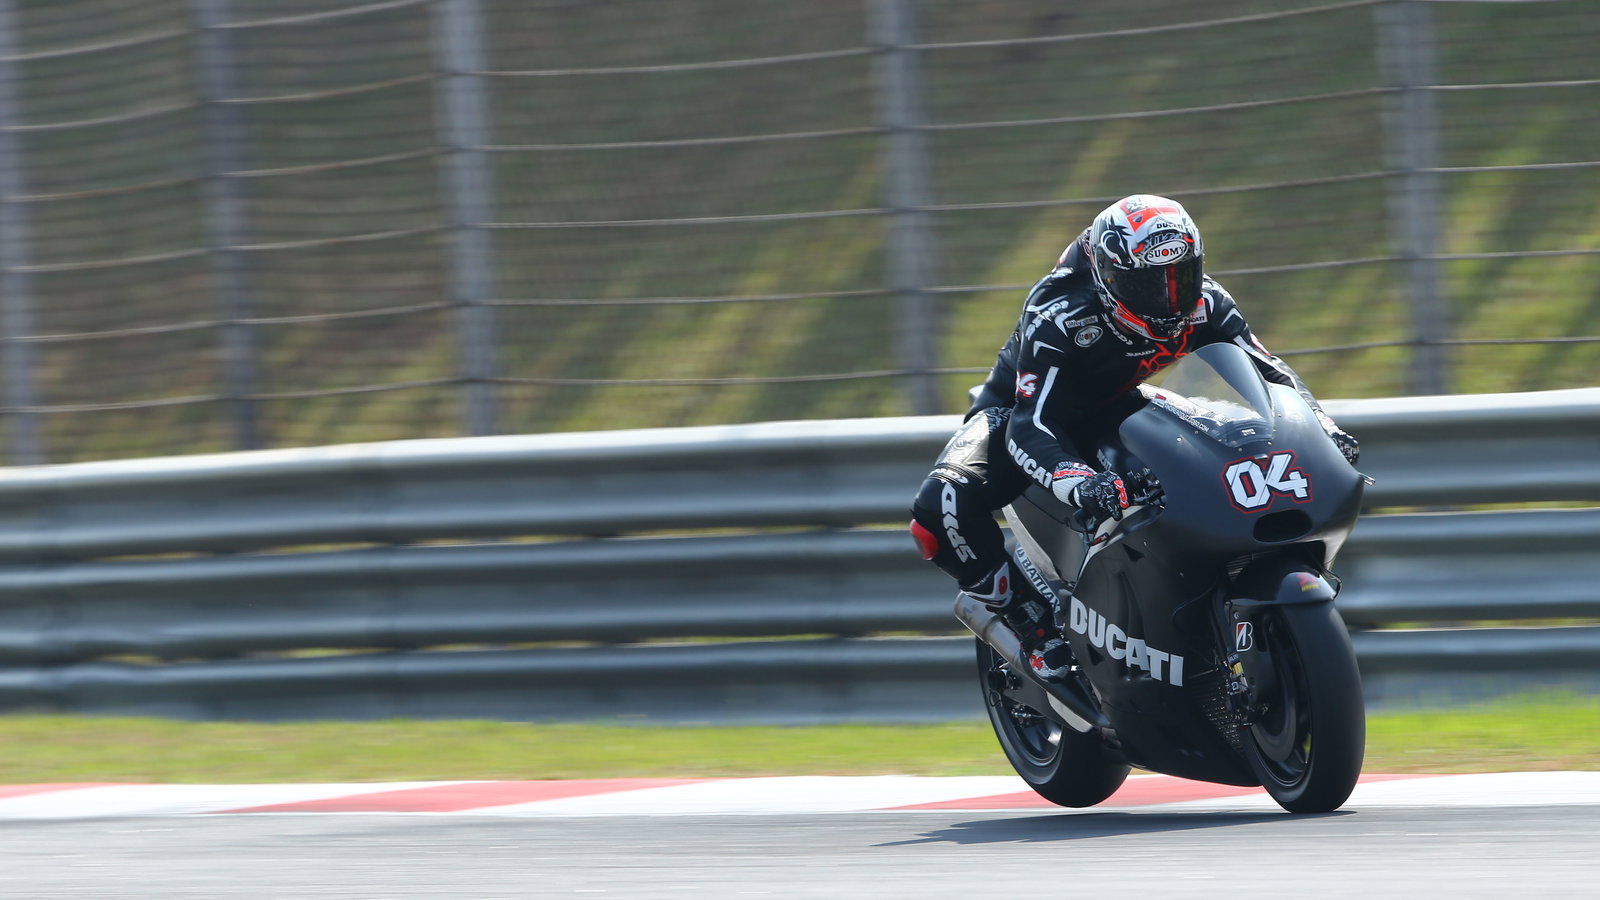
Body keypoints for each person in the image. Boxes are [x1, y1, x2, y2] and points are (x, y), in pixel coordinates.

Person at [908, 194, 1359, 681]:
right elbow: (1029, 425)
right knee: (940, 508)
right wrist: (1080, 483)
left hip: (1128, 403)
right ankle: (1032, 626)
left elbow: (1271, 376)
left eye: (1180, 278)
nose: (1169, 299)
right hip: (1029, 412)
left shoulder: (1207, 301)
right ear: (1108, 275)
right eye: (1148, 284)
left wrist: (1322, 426)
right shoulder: (1059, 313)